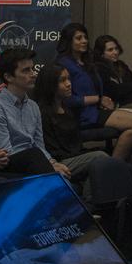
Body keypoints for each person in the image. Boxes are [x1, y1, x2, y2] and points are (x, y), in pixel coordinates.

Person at [56, 23, 132, 161]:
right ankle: (114, 165)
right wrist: (98, 99)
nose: (84, 41)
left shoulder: (87, 62)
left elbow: (98, 88)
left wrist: (102, 100)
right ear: (69, 41)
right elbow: (66, 99)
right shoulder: (63, 64)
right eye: (79, 38)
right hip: (80, 114)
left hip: (96, 110)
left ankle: (130, 161)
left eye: (85, 37)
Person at [0, 48, 73, 178]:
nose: (33, 74)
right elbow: (4, 154)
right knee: (34, 156)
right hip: (10, 167)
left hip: (36, 162)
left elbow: (39, 145)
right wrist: (47, 166)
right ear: (8, 77)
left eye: (32, 69)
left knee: (95, 164)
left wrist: (52, 162)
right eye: (26, 70)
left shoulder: (33, 106)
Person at [31, 63, 109, 198]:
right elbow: (51, 149)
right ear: (50, 85)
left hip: (74, 156)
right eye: (62, 81)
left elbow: (75, 142)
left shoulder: (68, 109)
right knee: (100, 158)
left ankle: (91, 204)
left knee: (100, 165)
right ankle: (89, 204)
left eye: (68, 79)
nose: (68, 84)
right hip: (57, 162)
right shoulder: (41, 113)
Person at [94, 36, 132, 106]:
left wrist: (125, 88)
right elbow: (113, 92)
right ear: (101, 54)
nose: (115, 52)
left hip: (131, 101)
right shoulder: (98, 68)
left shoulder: (121, 65)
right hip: (113, 105)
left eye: (116, 48)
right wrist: (130, 87)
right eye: (110, 50)